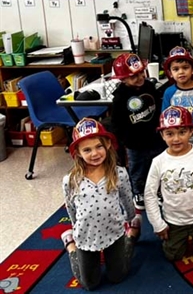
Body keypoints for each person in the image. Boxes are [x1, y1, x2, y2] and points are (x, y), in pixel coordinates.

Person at [61, 118, 138, 291]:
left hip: (114, 232)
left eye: (99, 146)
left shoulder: (119, 173)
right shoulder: (70, 180)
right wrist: (75, 228)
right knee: (90, 284)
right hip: (85, 237)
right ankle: (70, 245)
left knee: (117, 276)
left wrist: (131, 217)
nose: (94, 153)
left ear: (108, 144)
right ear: (78, 152)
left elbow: (127, 197)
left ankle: (131, 236)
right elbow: (71, 207)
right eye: (87, 149)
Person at [144, 106, 193, 261]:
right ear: (162, 135)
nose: (176, 139)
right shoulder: (158, 162)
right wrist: (158, 224)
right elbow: (149, 195)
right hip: (173, 220)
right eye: (170, 134)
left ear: (191, 131)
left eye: (182, 132)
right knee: (173, 256)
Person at [110, 53, 163, 211]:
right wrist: (125, 140)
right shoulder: (120, 98)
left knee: (158, 165)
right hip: (134, 142)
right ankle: (138, 192)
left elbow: (158, 106)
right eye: (134, 76)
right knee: (138, 168)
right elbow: (116, 123)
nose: (140, 77)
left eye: (141, 73)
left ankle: (158, 190)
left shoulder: (149, 86)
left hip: (155, 137)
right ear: (123, 79)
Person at [162, 46, 193, 146]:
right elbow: (164, 115)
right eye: (176, 69)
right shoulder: (169, 92)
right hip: (178, 139)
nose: (181, 72)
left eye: (185, 68)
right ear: (170, 73)